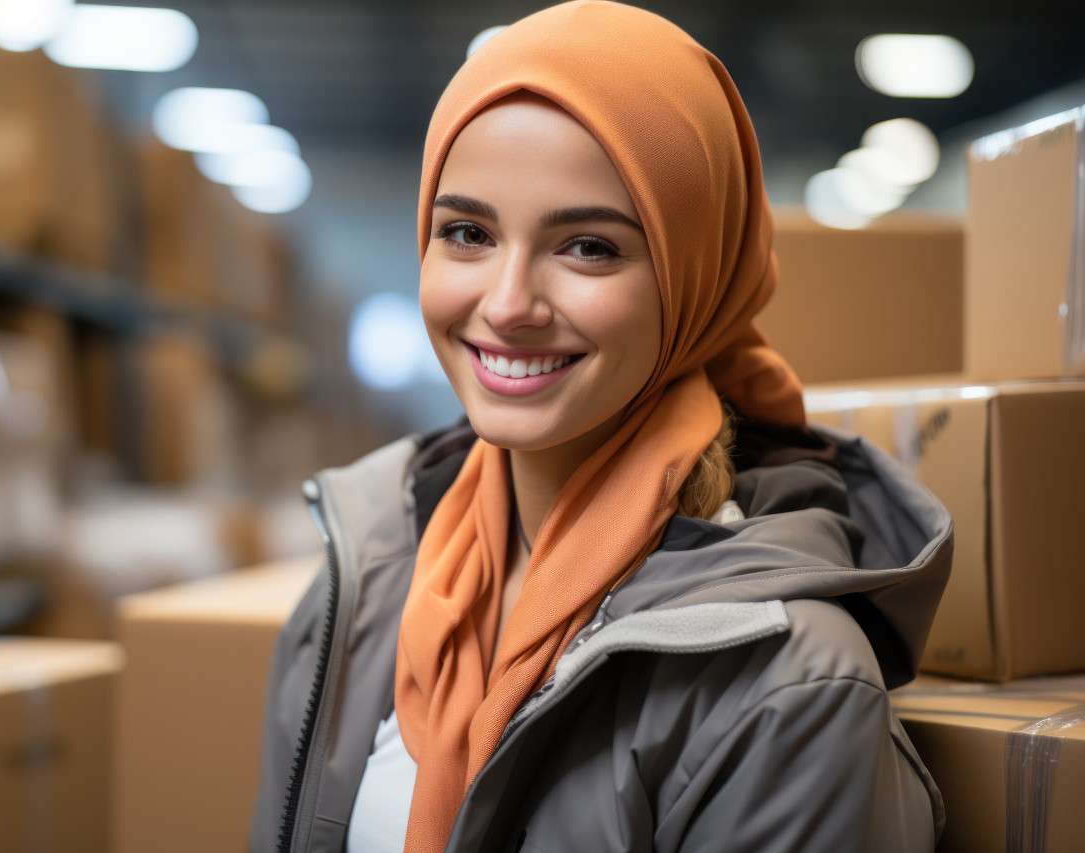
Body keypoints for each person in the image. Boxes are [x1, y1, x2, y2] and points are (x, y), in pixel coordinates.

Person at [251, 2, 951, 851]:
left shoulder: (790, 681)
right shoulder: (357, 590)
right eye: (467, 232)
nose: (506, 305)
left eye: (587, 247)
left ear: (695, 280)